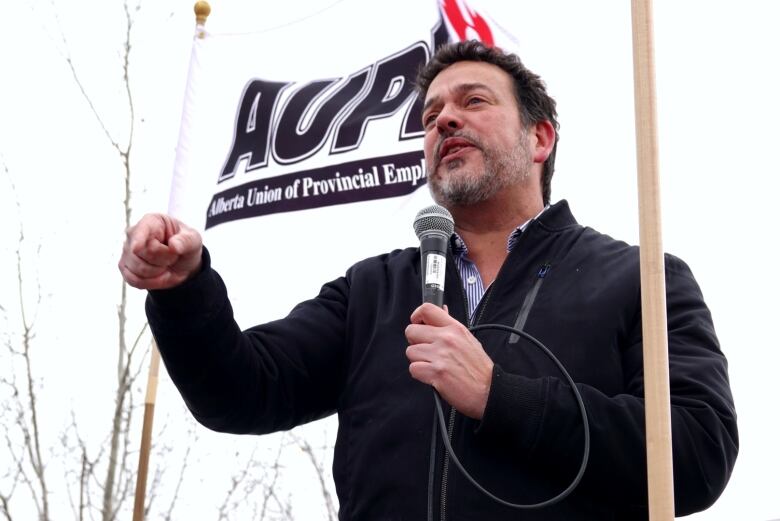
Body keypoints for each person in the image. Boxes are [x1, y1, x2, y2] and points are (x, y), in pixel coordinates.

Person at [119, 40, 738, 520]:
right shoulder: (371, 292)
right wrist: (184, 289)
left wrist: (503, 396)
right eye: (431, 114)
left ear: (540, 137)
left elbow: (695, 452)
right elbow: (240, 391)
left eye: (473, 102)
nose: (443, 121)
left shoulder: (640, 279)